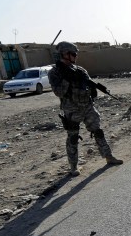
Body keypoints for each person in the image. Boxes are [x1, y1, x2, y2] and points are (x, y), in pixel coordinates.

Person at [48, 41, 123, 176]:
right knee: (73, 137)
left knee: (98, 131)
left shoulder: (80, 70)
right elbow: (58, 92)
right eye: (73, 54)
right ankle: (73, 167)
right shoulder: (55, 72)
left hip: (87, 106)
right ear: (65, 54)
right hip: (71, 108)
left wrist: (94, 89)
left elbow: (88, 83)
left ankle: (108, 157)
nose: (75, 56)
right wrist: (67, 79)